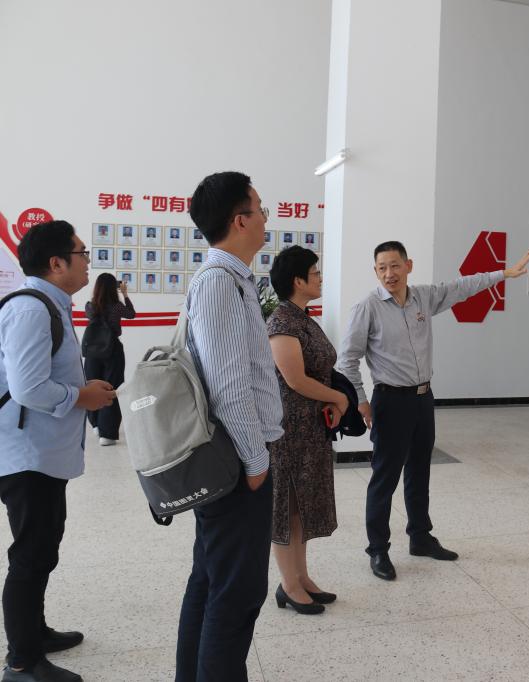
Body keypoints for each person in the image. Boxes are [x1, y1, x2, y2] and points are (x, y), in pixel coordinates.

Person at [338, 240, 529, 580]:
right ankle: (378, 549)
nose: (389, 273)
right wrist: (361, 401)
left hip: (423, 398)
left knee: (419, 471)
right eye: (382, 267)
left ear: (408, 266)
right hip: (390, 401)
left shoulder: (423, 297)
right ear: (375, 271)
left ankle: (420, 537)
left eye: (395, 265)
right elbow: (347, 361)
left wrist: (503, 274)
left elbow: (462, 287)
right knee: (385, 478)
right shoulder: (367, 308)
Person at [175, 171, 283, 682]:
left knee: (211, 580)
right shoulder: (219, 282)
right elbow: (228, 385)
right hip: (237, 464)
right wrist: (256, 461)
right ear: (240, 220)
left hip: (235, 460)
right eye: (260, 208)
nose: (265, 218)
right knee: (236, 593)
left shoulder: (231, 279)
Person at [0, 221, 116, 682]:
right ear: (56, 263)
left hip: (42, 453)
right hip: (26, 455)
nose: (88, 261)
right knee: (31, 554)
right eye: (82, 252)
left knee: (43, 547)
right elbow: (28, 388)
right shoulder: (32, 309)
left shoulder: (50, 305)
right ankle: (22, 662)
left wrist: (81, 389)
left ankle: (35, 633)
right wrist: (82, 397)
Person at [265, 246, 348, 615]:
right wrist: (337, 397)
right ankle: (288, 585)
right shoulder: (282, 322)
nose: (320, 278)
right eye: (315, 273)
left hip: (310, 430)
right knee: (287, 508)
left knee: (302, 508)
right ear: (298, 281)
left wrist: (331, 401)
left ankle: (301, 577)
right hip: (289, 433)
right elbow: (295, 379)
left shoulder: (303, 318)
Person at [84, 273, 136, 446]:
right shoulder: (117, 306)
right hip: (112, 350)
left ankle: (96, 424)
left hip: (92, 351)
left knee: (91, 385)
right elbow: (131, 314)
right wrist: (125, 294)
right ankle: (107, 434)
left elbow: (92, 317)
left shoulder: (90, 306)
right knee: (112, 388)